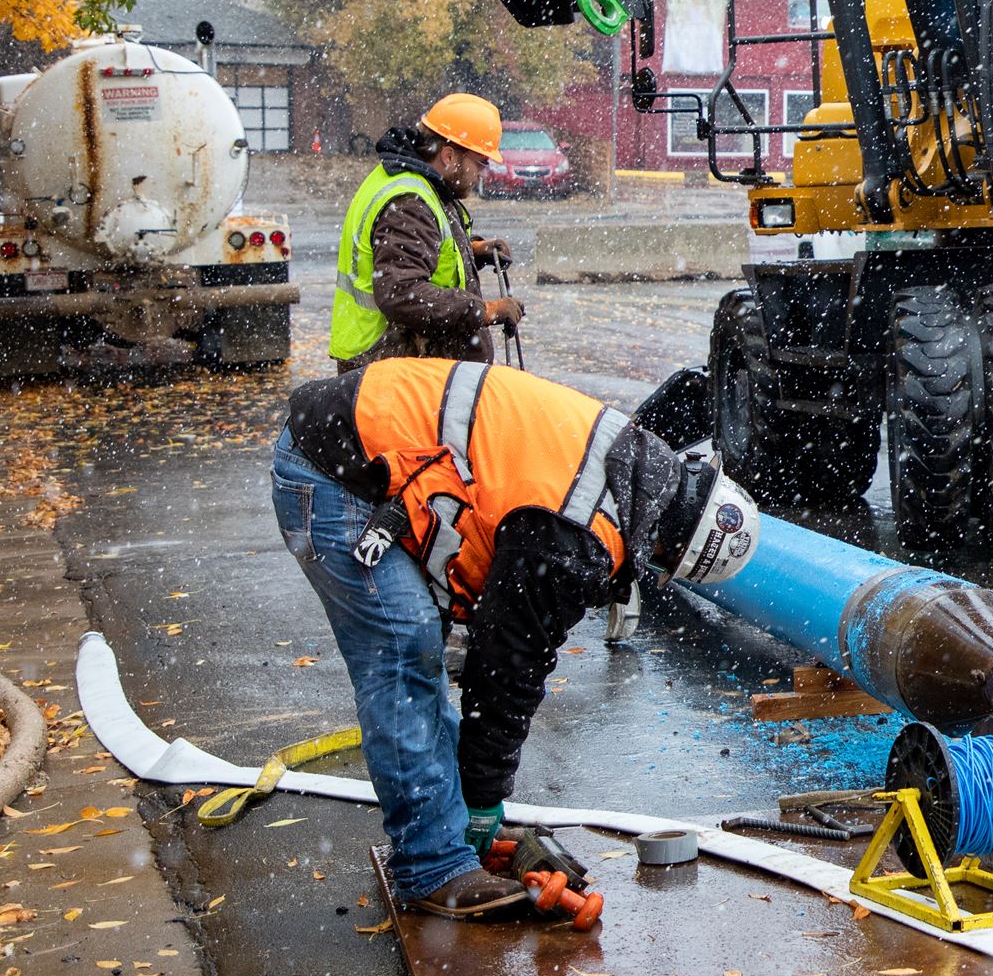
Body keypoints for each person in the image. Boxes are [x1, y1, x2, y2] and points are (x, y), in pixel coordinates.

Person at [271, 357, 756, 918]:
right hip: (334, 468)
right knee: (404, 655)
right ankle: (432, 866)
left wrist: (478, 806)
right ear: (670, 549)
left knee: (421, 655)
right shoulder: (576, 535)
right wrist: (482, 801)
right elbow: (506, 669)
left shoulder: (632, 464)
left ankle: (443, 833)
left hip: (355, 434)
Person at [330, 94, 523, 370]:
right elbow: (402, 293)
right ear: (448, 155)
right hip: (388, 371)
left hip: (395, 366)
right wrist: (485, 311)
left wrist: (475, 251)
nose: (482, 173)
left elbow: (424, 249)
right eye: (480, 162)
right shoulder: (410, 202)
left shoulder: (418, 183)